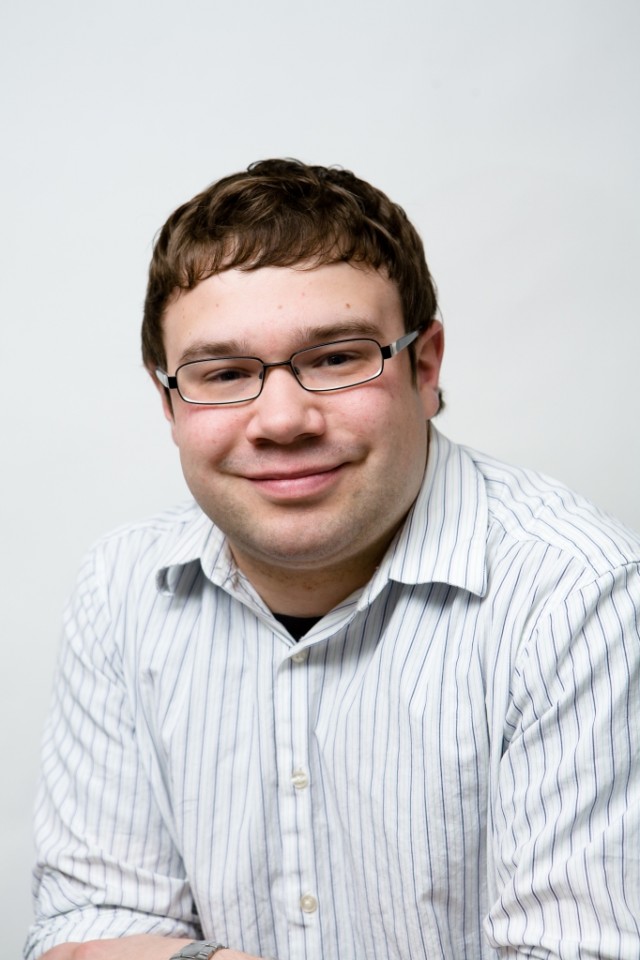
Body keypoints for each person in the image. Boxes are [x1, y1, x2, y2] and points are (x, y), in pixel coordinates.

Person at [26, 159, 640, 960]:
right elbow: (85, 933)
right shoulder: (122, 589)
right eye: (224, 374)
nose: (283, 420)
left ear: (425, 366)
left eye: (337, 358)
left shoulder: (577, 597)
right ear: (169, 402)